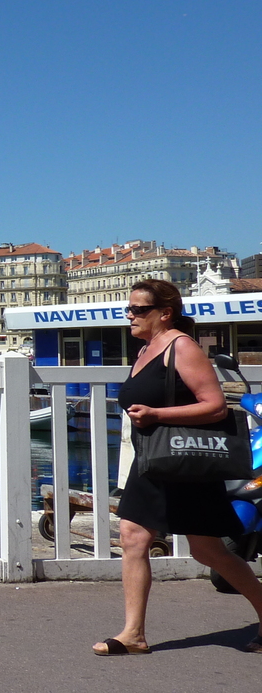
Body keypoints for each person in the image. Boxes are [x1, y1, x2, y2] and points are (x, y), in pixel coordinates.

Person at [94, 278, 262, 655]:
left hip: (184, 461)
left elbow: (215, 405)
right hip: (153, 460)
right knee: (133, 536)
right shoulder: (145, 350)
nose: (130, 315)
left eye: (138, 310)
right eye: (129, 308)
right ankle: (133, 634)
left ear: (164, 313)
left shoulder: (181, 347)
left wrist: (157, 413)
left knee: (209, 551)